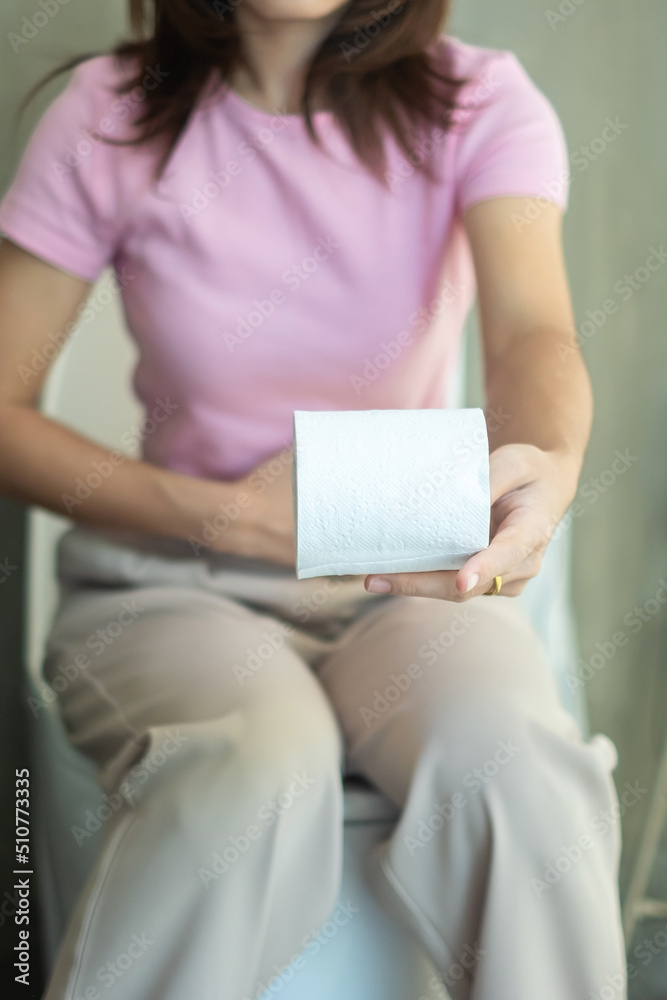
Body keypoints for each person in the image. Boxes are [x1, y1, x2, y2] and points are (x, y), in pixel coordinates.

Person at [0, 1, 627, 997]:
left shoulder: (481, 102)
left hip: (402, 583)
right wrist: (226, 515)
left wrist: (546, 463)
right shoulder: (107, 114)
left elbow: (529, 338)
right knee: (248, 770)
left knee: (515, 763)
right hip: (171, 588)